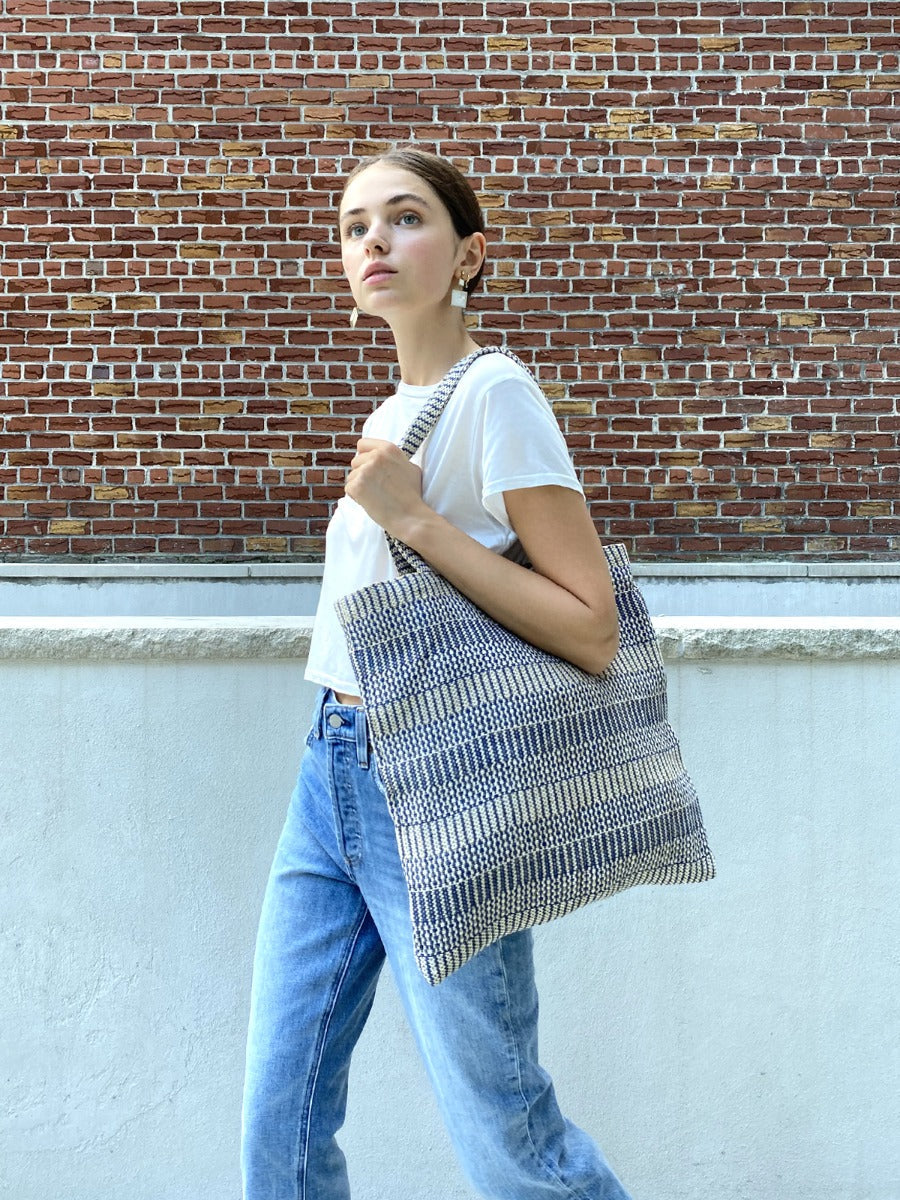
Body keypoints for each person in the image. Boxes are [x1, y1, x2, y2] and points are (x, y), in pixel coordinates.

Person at [240, 146, 631, 1200]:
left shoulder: (496, 393)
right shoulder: (392, 411)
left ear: (468, 254)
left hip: (432, 788)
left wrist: (411, 518)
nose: (374, 241)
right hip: (328, 777)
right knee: (278, 1123)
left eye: (404, 219)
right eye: (355, 225)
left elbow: (593, 625)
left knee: (506, 1133)